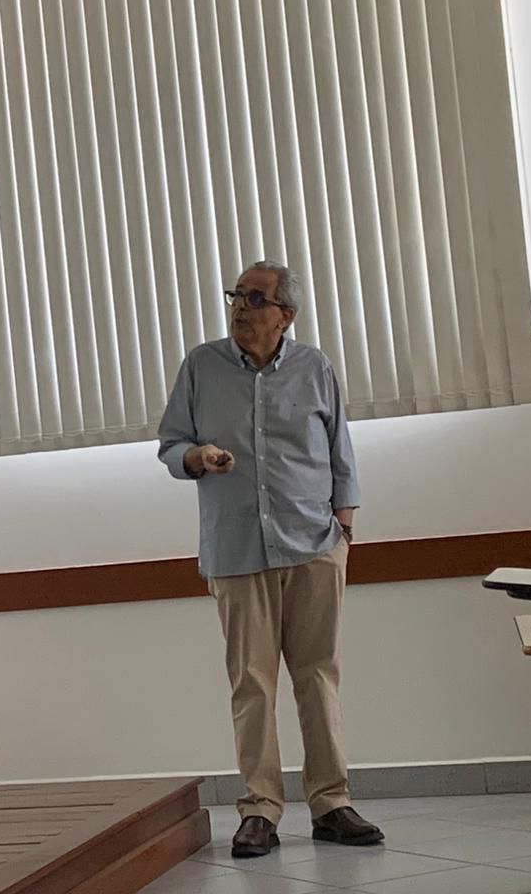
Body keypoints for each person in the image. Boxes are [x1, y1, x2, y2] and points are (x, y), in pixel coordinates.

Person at [157, 260, 384, 858]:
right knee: (251, 684)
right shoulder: (201, 366)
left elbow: (341, 448)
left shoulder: (315, 368)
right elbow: (170, 443)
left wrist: (345, 525)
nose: (240, 307)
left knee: (318, 677)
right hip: (235, 549)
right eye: (236, 295)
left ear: (285, 315)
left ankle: (332, 803)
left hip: (313, 545)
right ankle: (259, 809)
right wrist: (196, 455)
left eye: (255, 298)